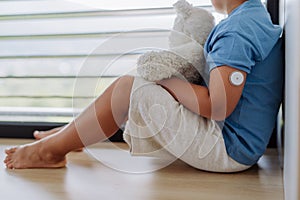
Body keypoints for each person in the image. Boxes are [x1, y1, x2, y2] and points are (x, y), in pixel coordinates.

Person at [4, 0, 283, 172]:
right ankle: (72, 133)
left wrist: (164, 80)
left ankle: (51, 152)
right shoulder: (248, 19)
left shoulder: (237, 32)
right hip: (234, 142)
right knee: (137, 81)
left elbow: (219, 105)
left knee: (130, 87)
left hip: (229, 149)